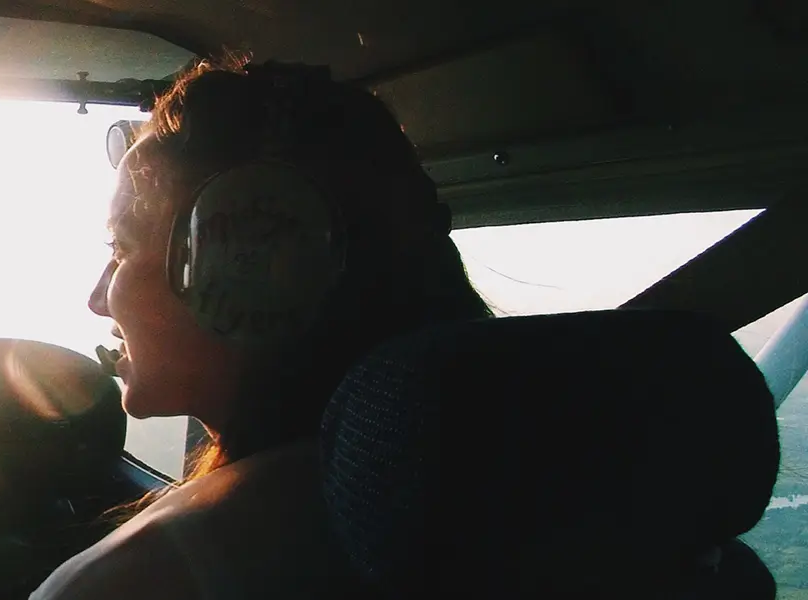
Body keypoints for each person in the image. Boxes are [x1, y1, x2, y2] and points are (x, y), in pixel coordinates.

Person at [32, 57, 492, 599]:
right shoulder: (494, 483)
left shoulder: (145, 577)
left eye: (121, 248)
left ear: (245, 269)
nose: (95, 300)